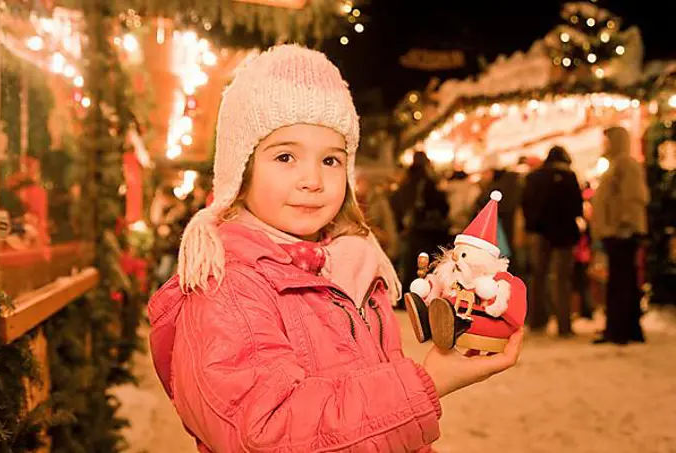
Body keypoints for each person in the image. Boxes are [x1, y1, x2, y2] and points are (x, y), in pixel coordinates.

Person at [147, 45, 522, 453]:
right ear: (242, 169)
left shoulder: (355, 266)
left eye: (330, 160)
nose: (312, 179)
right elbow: (265, 434)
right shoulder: (227, 285)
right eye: (286, 156)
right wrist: (426, 383)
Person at [591, 126, 649, 345]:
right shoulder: (618, 164)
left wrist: (624, 226)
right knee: (622, 281)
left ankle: (620, 330)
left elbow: (632, 198)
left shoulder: (625, 165)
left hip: (621, 234)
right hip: (616, 232)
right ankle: (625, 328)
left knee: (620, 282)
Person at [521, 146, 583, 337]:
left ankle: (537, 321)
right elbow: (577, 207)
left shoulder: (534, 177)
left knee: (538, 277)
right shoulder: (569, 177)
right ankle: (564, 325)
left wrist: (532, 225)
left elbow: (525, 204)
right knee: (562, 279)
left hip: (540, 234)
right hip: (564, 235)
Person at [391, 151, 451, 294]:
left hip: (410, 230)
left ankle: (407, 294)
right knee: (426, 264)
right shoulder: (428, 182)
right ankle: (425, 293)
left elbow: (396, 203)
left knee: (409, 263)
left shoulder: (406, 181)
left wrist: (400, 225)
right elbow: (442, 206)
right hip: (427, 231)